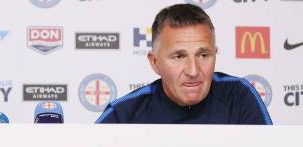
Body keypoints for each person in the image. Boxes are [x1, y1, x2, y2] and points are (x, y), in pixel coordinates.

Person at [96, 4, 272, 125]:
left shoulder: (239, 97)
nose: (193, 71)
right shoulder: (123, 114)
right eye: (179, 57)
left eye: (203, 55)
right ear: (155, 62)